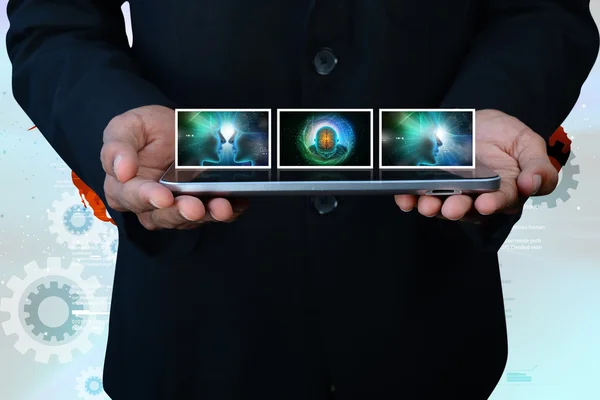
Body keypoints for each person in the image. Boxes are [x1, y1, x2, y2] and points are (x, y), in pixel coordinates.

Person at [6, 0, 598, 399]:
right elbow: (57, 20)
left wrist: (486, 112)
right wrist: (112, 123)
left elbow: (543, 10)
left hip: (427, 314)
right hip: (193, 328)